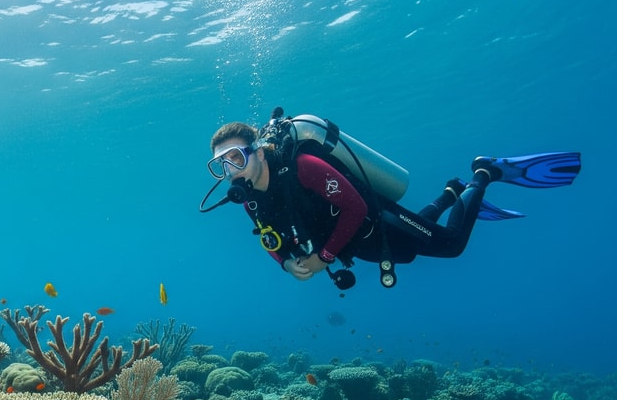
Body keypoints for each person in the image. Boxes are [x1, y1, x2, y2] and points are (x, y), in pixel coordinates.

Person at [200, 108, 581, 288]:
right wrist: (285, 263)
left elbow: (355, 206)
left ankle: (485, 173)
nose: (231, 170)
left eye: (235, 157)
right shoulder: (248, 197)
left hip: (371, 220)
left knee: (449, 246)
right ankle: (452, 194)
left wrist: (321, 259)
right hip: (357, 244)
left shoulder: (304, 168)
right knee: (412, 250)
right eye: (222, 164)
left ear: (259, 150)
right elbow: (269, 237)